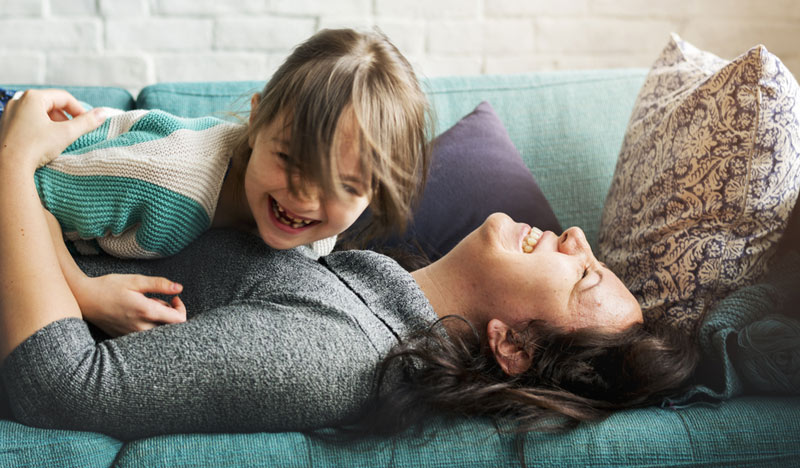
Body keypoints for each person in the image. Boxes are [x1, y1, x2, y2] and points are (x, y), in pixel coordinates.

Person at [0, 89, 698, 441]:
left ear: (512, 345)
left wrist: (14, 159)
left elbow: (62, 386)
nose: (577, 236)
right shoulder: (344, 266)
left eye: (584, 275)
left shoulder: (336, 350)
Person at [3, 28, 431, 337]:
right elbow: (19, 193)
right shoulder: (163, 181)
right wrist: (85, 294)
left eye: (345, 185)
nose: (304, 197)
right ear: (256, 119)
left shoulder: (317, 238)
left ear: (375, 189)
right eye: (289, 160)